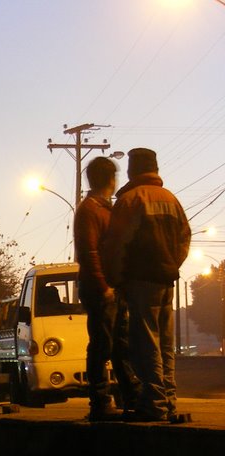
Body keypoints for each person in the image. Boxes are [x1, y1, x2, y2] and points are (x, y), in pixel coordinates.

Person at [101, 147, 191, 423]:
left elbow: (117, 246)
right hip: (167, 279)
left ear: (131, 170)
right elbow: (184, 239)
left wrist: (115, 278)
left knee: (145, 344)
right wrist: (172, 264)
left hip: (140, 281)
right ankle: (169, 401)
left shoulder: (131, 200)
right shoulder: (171, 199)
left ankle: (154, 404)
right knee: (165, 344)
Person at [74, 155, 138, 421]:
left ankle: (131, 397)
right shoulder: (90, 209)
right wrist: (104, 287)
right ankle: (100, 402)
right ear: (111, 179)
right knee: (102, 344)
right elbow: (89, 252)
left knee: (120, 345)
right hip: (100, 288)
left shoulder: (104, 208)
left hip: (112, 287)